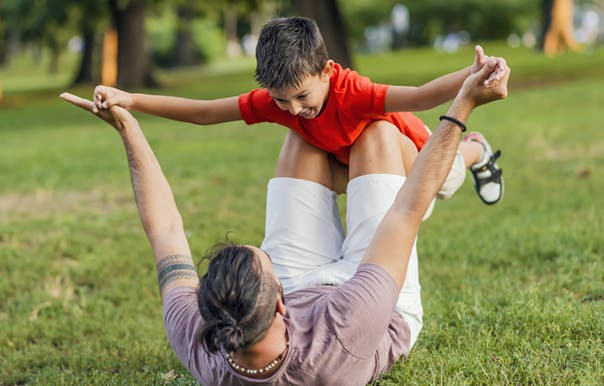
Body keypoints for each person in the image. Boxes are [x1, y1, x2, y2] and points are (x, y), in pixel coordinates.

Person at [60, 53, 510, 385]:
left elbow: (164, 230)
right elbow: (405, 214)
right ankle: (475, 151)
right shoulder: (345, 331)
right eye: (262, 259)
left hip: (295, 295)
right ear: (280, 304)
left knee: (301, 138)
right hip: (373, 300)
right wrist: (464, 105)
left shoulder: (204, 342)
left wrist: (129, 127)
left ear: (209, 319)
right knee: (377, 131)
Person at [92, 16, 504, 205]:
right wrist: (130, 99)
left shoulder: (353, 91)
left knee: (445, 185)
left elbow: (418, 96)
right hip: (349, 162)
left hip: (413, 154)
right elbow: (205, 112)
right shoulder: (281, 104)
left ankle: (475, 148)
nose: (293, 109)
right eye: (280, 99)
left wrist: (472, 75)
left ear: (326, 71)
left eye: (303, 96)